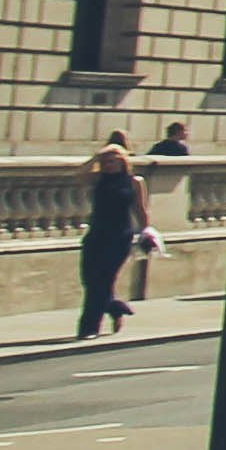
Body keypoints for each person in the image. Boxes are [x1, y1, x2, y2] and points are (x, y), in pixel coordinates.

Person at [76, 139, 147, 336]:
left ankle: (89, 328)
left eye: (112, 162)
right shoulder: (98, 178)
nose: (108, 166)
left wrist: (146, 231)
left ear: (122, 162)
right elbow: (80, 174)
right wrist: (97, 156)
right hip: (96, 234)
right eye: (105, 162)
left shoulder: (134, 182)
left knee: (102, 282)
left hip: (119, 237)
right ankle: (115, 307)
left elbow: (140, 209)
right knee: (89, 279)